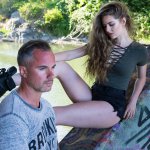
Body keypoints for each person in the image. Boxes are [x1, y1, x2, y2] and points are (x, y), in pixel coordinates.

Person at [0, 1, 148, 129]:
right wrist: (36, 61)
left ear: (123, 21)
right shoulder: (103, 44)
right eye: (105, 26)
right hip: (92, 94)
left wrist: (132, 102)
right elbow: (70, 54)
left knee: (51, 114)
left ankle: (11, 124)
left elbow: (141, 78)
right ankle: (6, 82)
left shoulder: (139, 51)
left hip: (111, 106)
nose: (108, 30)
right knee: (61, 66)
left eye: (111, 24)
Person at [0, 40, 58, 150]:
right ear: (23, 71)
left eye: (53, 67)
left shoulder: (46, 106)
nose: (51, 75)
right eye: (42, 68)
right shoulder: (13, 117)